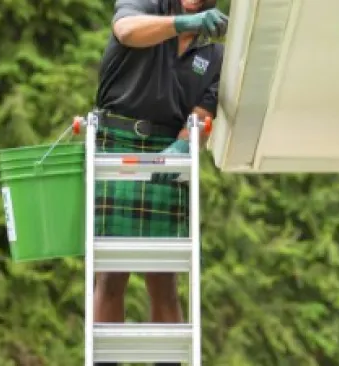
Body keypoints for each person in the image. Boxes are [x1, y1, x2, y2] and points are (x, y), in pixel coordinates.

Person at [91, 1, 228, 365]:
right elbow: (126, 30)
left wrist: (185, 143)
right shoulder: (146, 5)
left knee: (164, 278)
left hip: (168, 151)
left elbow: (203, 110)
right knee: (110, 272)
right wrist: (181, 22)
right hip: (117, 143)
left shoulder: (214, 52)